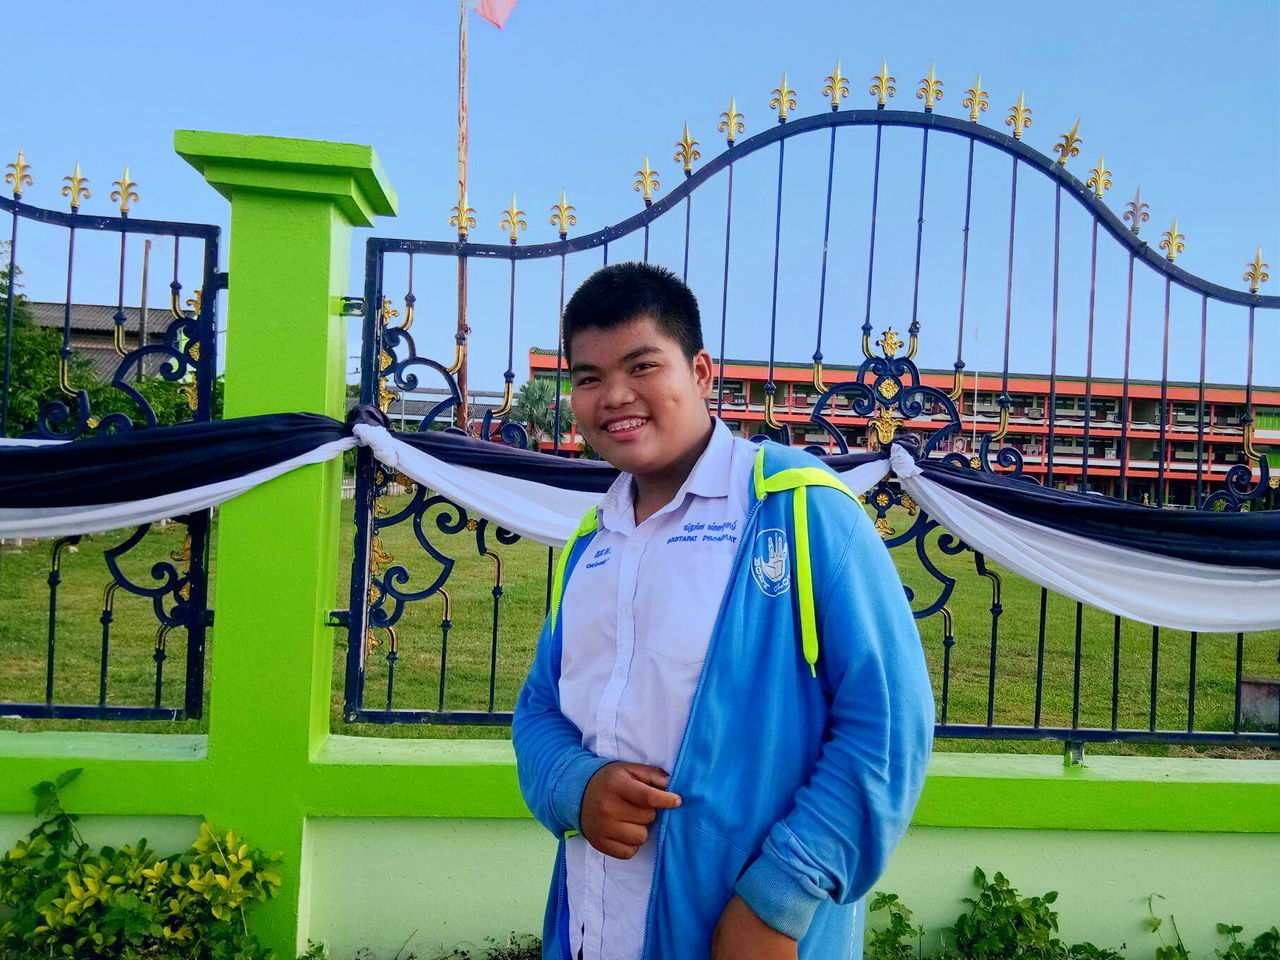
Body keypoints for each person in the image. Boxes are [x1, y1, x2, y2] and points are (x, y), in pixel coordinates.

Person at [512, 261, 935, 960]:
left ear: (702, 372)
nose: (613, 396)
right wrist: (572, 786)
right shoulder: (592, 541)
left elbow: (887, 725)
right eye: (588, 377)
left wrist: (779, 900)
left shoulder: (798, 508)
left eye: (642, 365)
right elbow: (538, 710)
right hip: (594, 927)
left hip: (741, 933)